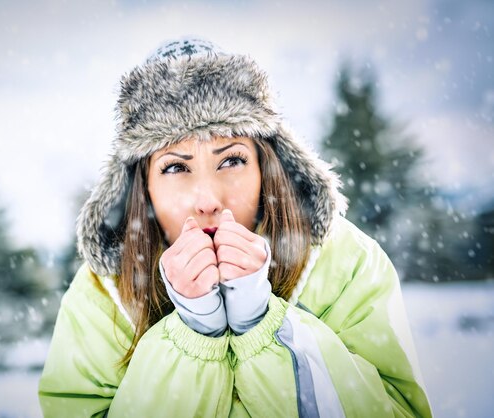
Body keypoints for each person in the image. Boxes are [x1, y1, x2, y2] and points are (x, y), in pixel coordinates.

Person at [38, 38, 432, 417]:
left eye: (231, 161)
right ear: (143, 188)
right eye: (176, 167)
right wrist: (193, 336)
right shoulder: (102, 296)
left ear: (267, 166)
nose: (208, 199)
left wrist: (262, 324)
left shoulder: (346, 264)